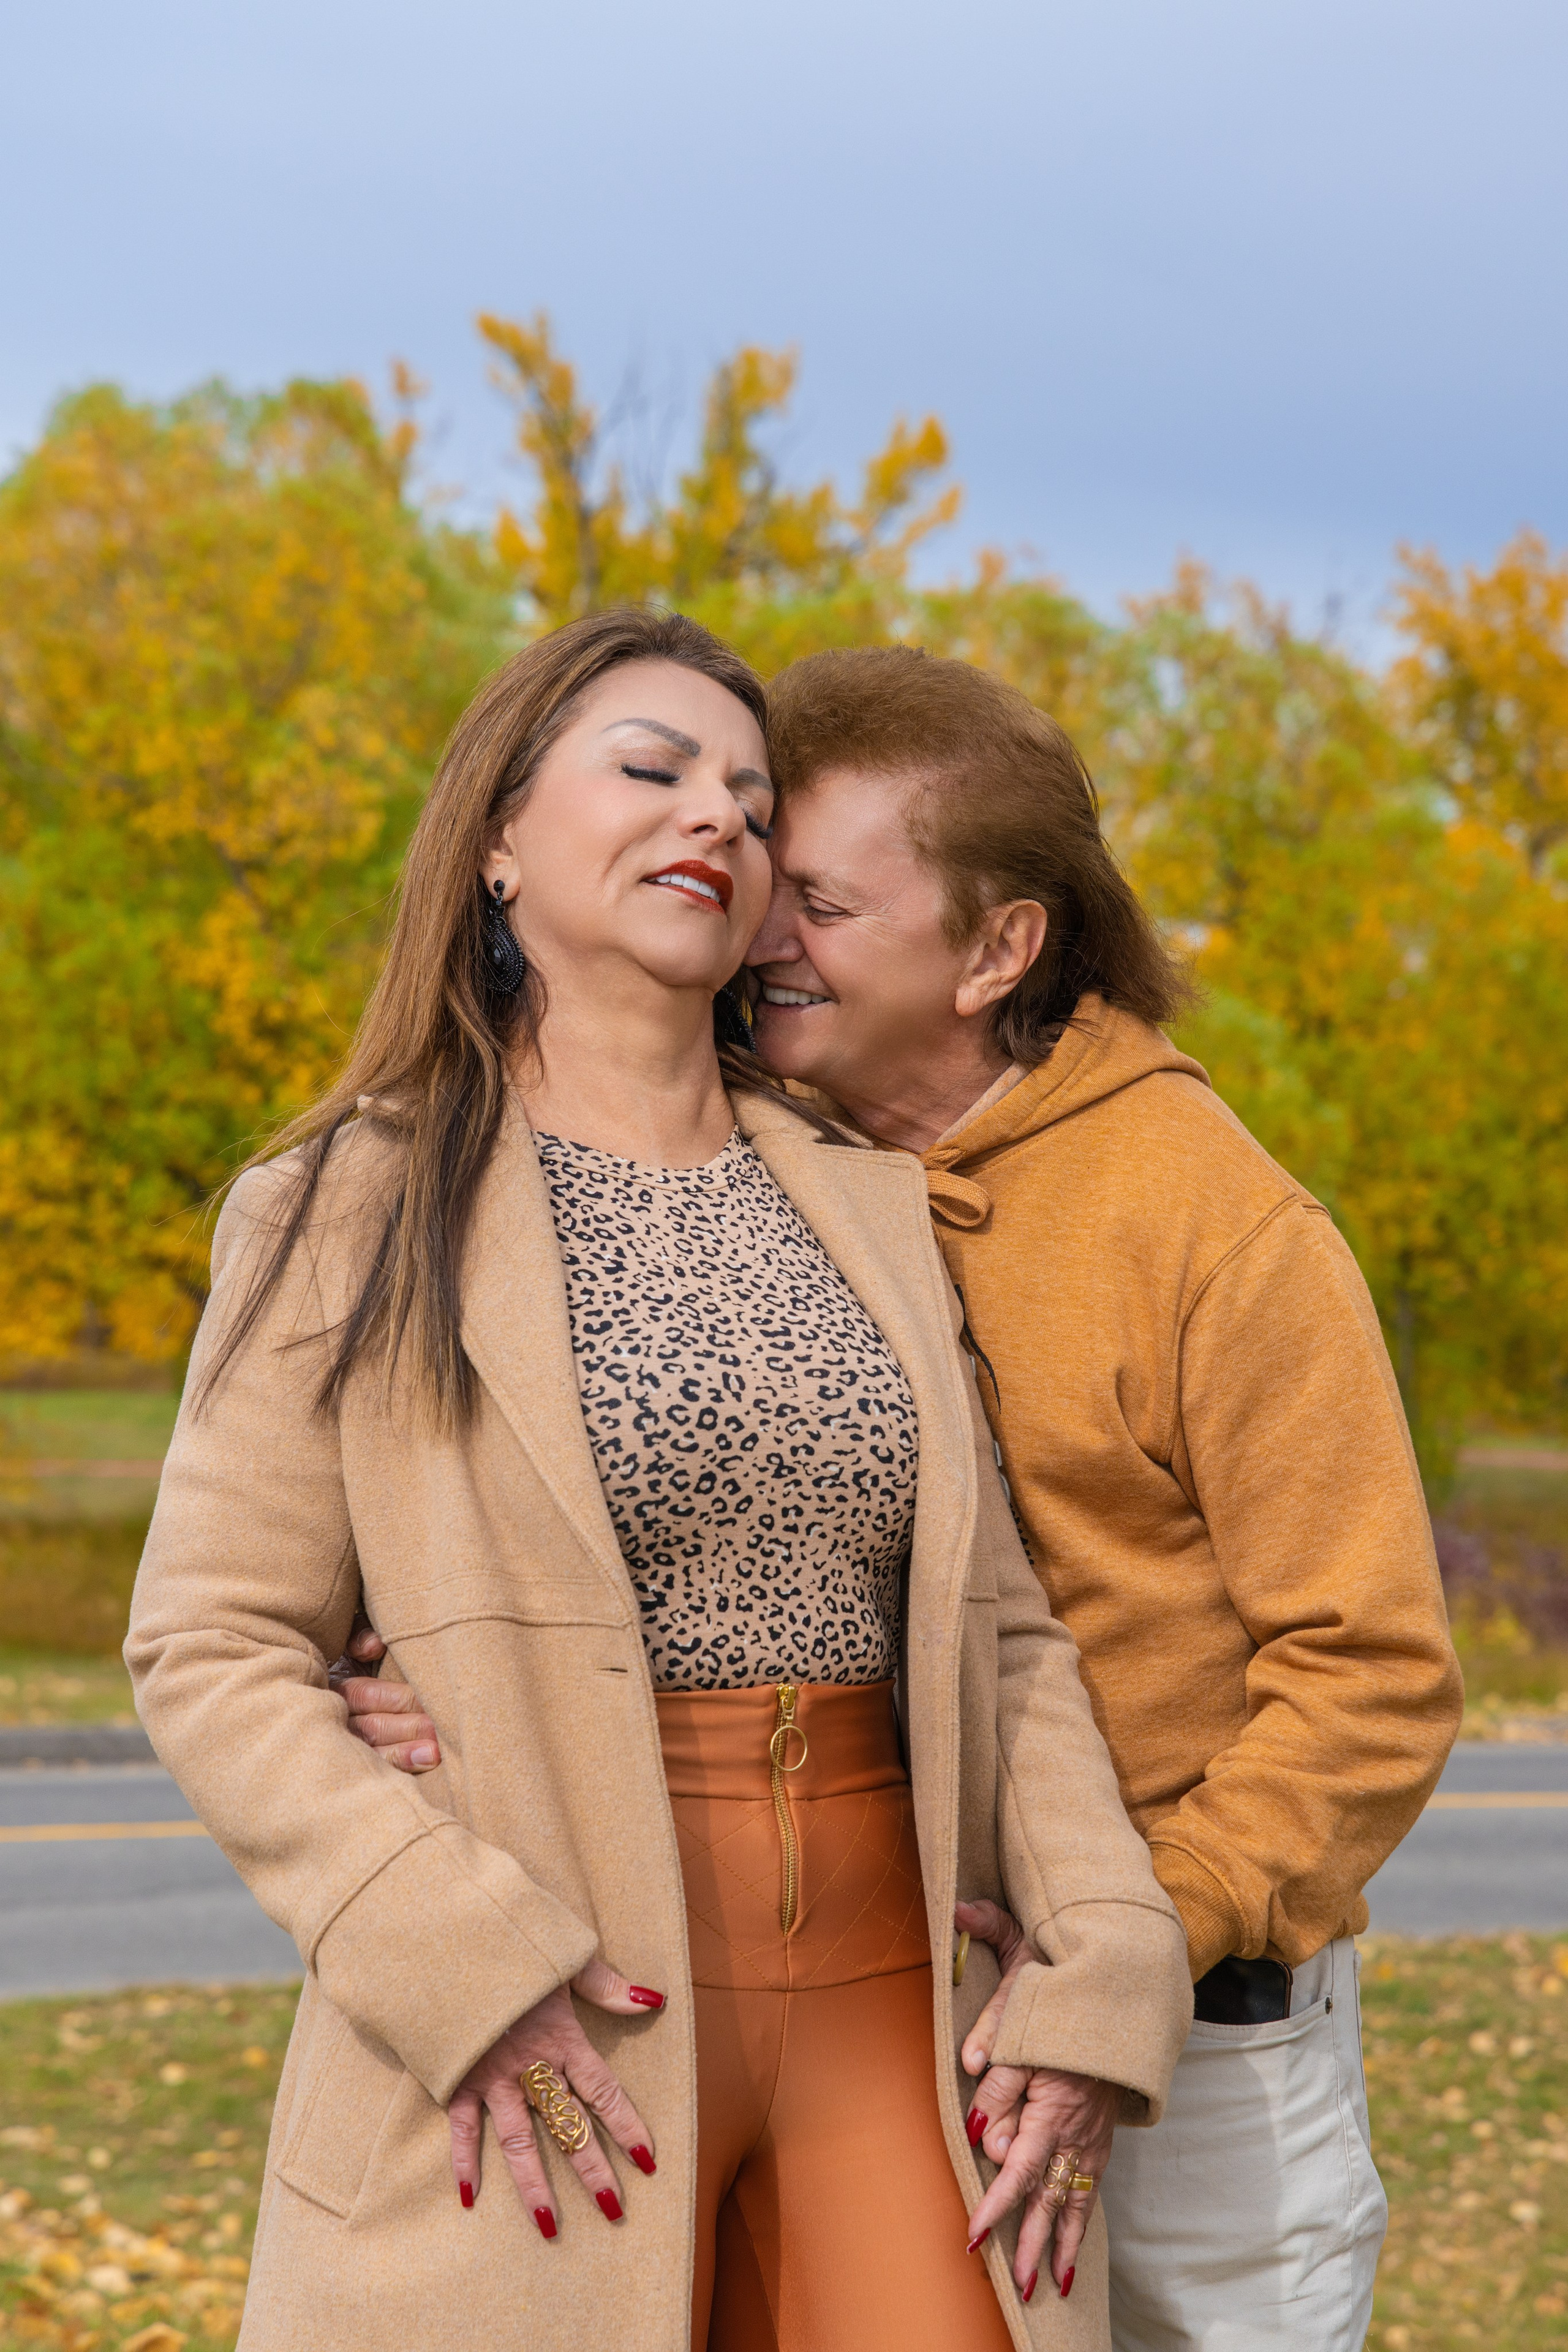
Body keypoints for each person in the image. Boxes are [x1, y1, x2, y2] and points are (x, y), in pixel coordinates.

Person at [347, 641, 1463, 2351]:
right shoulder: (765, 1165)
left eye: (819, 901)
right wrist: (403, 1647)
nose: (753, 923)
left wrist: (1122, 1954)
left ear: (998, 946)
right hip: (889, 2008)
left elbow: (1376, 1677)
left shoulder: (1216, 1229)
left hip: (1204, 2051)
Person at [127, 611, 1193, 2352]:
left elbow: (1006, 1639)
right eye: (654, 770)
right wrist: (448, 1959)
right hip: (547, 2023)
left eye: (755, 804)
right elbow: (212, 1646)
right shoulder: (347, 1204)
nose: (718, 817)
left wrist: (1101, 1970)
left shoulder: (876, 1207)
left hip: (895, 2030)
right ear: (494, 837)